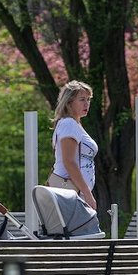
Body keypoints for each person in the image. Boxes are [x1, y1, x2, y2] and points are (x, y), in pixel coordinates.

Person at [47, 79, 98, 211]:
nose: (86, 104)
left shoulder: (73, 124)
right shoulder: (68, 124)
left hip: (76, 194)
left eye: (88, 99)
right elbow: (69, 161)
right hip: (70, 193)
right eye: (82, 99)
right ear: (69, 102)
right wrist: (87, 192)